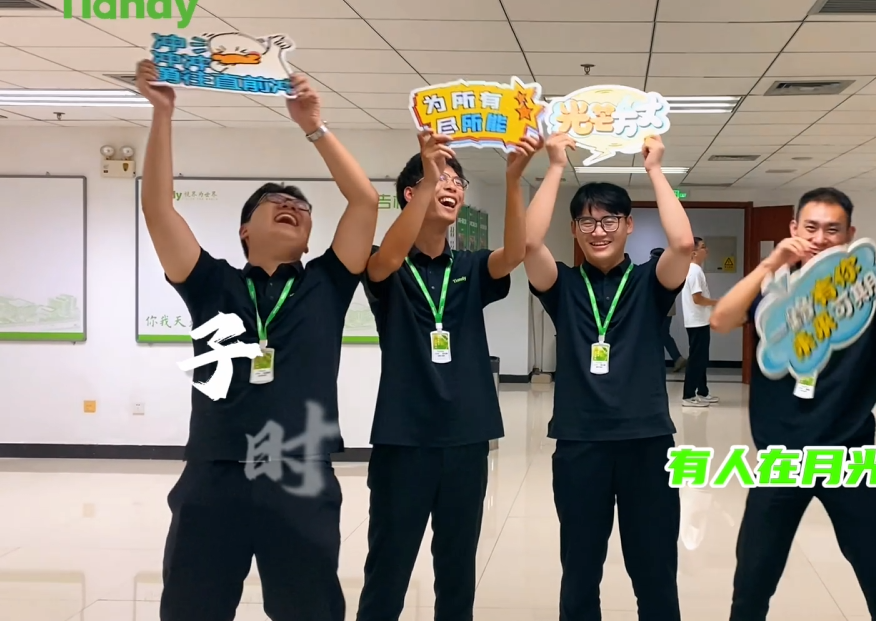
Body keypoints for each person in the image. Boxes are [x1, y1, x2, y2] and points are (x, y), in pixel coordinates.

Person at [135, 59, 379, 621]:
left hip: (300, 471)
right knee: (193, 608)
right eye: (276, 202)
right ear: (245, 230)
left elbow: (365, 201)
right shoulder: (209, 282)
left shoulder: (328, 283)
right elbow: (158, 208)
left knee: (309, 609)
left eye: (302, 207)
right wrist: (162, 114)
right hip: (214, 469)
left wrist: (313, 126)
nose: (292, 206)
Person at [711, 187, 876, 621]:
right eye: (810, 228)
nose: (819, 238)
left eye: (832, 230)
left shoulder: (869, 294)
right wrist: (770, 263)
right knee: (753, 582)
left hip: (849, 458)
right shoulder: (773, 289)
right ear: (793, 229)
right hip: (781, 458)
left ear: (850, 235)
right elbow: (721, 320)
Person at [355, 130, 539, 621]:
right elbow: (386, 261)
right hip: (404, 440)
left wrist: (514, 180)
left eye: (458, 181)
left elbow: (514, 254)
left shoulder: (470, 266)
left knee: (457, 570)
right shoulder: (387, 263)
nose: (452, 186)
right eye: (441, 178)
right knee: (389, 567)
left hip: (466, 438)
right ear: (411, 193)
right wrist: (429, 169)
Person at [525, 132, 693, 621]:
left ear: (628, 225)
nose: (598, 231)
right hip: (580, 444)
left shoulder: (650, 281)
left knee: (655, 571)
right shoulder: (561, 285)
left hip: (648, 443)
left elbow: (683, 243)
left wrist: (655, 170)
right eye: (587, 221)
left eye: (609, 220)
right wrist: (555, 166)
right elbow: (529, 243)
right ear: (575, 229)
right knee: (580, 572)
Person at [681, 237, 718, 407]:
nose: (707, 250)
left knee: (701, 358)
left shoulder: (694, 270)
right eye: (703, 247)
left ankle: (703, 392)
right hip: (696, 322)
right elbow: (697, 299)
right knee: (697, 359)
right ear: (694, 253)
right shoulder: (694, 271)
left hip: (700, 321)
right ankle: (688, 395)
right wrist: (716, 302)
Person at [650, 246, 687, 373]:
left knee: (660, 334)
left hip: (660, 308)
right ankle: (676, 358)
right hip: (668, 308)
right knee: (662, 333)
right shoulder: (669, 268)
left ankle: (676, 358)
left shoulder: (655, 269)